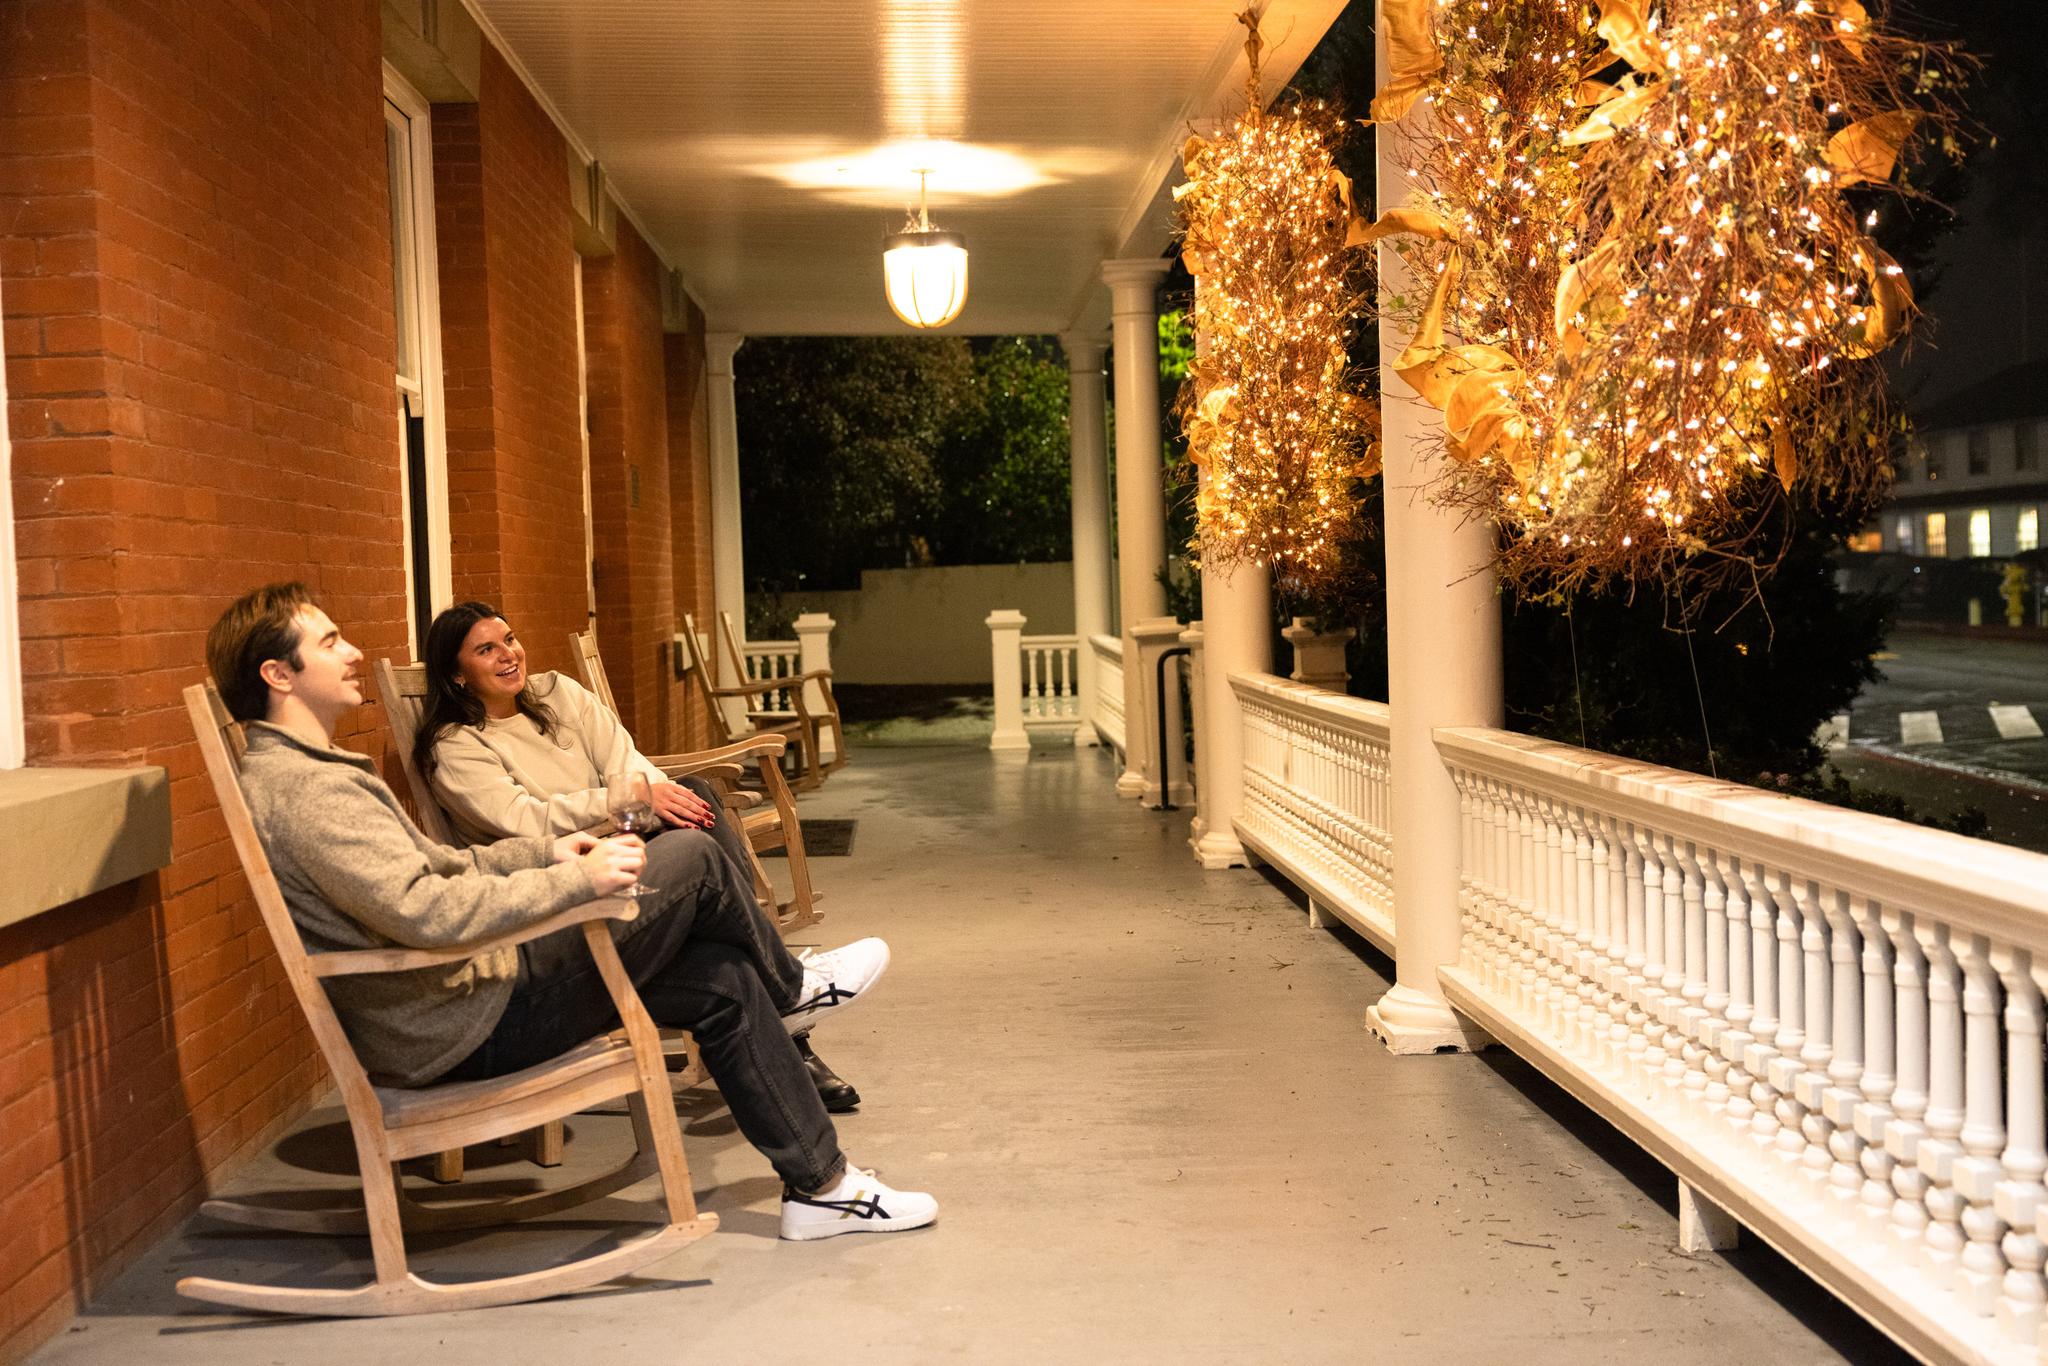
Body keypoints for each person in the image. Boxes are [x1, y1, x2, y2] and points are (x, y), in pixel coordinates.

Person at [205, 583, 935, 1241]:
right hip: (463, 1019)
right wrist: (578, 884)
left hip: (475, 990)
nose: (353, 651)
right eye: (330, 642)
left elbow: (444, 866)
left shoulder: (314, 772)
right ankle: (794, 993)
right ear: (278, 674)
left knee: (720, 979)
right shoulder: (310, 792)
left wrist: (545, 858)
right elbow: (426, 912)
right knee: (695, 857)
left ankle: (822, 1188)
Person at [411, 600, 861, 1112]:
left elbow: (627, 762)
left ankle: (785, 1022)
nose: (508, 655)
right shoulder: (455, 745)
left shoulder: (559, 694)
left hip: (620, 840)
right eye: (486, 650)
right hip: (564, 876)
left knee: (690, 794)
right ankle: (791, 1016)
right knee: (697, 840)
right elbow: (523, 821)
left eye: (509, 639)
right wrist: (625, 801)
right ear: (457, 673)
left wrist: (649, 794)